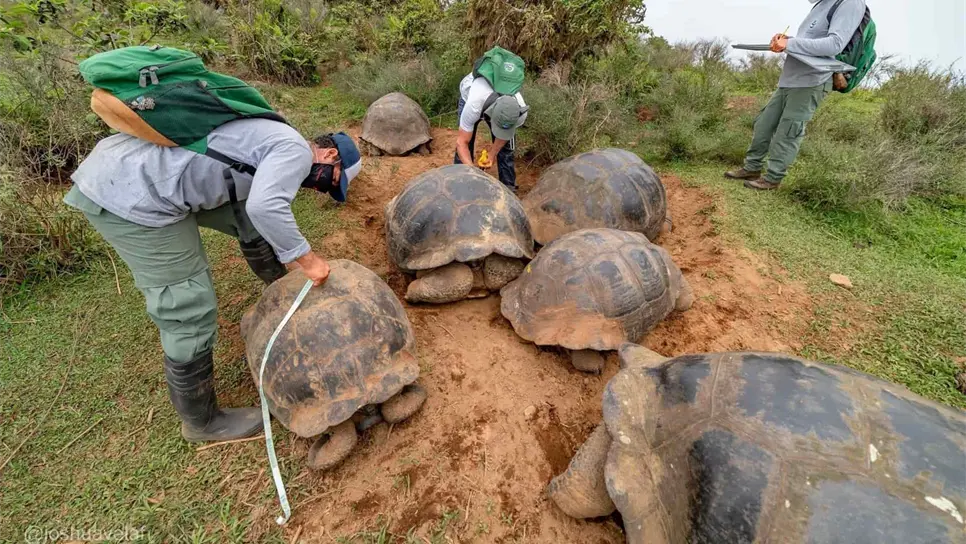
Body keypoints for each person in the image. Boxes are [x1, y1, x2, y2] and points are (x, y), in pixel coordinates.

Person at [64, 119, 361, 443]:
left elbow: (253, 209)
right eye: (332, 180)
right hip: (130, 191)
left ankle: (282, 292)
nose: (320, 188)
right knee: (187, 304)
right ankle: (202, 423)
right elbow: (267, 207)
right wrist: (308, 260)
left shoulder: (274, 136)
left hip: (133, 166)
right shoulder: (297, 152)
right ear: (329, 154)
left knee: (246, 215)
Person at [726, 0, 867, 190]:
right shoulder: (821, 4)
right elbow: (810, 40)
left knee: (789, 130)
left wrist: (790, 43)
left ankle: (772, 178)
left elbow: (834, 45)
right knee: (764, 123)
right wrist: (786, 41)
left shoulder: (850, 2)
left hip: (812, 80)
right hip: (790, 78)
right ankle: (752, 168)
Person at [453, 71, 529, 191]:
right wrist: (473, 171)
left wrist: (492, 155)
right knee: (467, 142)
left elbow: (504, 136)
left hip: (494, 101)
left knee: (506, 147)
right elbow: (461, 143)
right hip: (469, 94)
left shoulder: (519, 112)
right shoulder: (473, 105)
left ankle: (508, 187)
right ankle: (461, 183)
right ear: (491, 115)